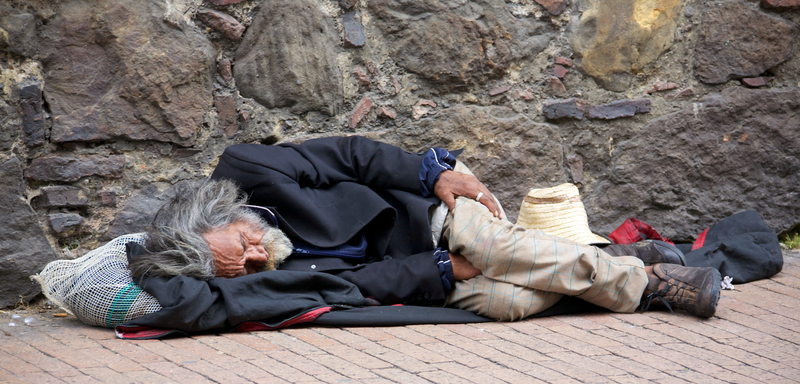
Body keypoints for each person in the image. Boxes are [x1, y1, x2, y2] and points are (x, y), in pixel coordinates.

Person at [130, 136, 721, 322]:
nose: (260, 256)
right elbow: (356, 285)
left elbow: (351, 156)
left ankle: (647, 286)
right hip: (422, 262)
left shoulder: (249, 170)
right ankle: (616, 259)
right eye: (248, 268)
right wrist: (436, 271)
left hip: (426, 201)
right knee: (507, 299)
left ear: (219, 215)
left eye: (243, 246)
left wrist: (429, 173)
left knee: (490, 243)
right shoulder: (267, 274)